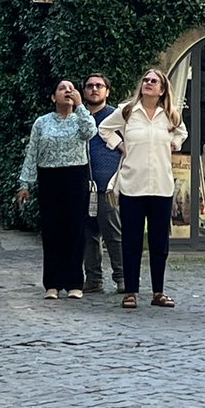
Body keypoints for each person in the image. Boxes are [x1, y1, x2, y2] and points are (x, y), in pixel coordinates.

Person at [99, 68, 188, 310]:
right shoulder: (128, 111)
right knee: (131, 240)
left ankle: (158, 291)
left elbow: (182, 133)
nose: (148, 83)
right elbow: (104, 129)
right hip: (132, 184)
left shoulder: (169, 115)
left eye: (154, 81)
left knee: (159, 242)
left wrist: (175, 143)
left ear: (162, 89)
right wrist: (119, 145)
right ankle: (130, 291)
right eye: (146, 80)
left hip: (161, 185)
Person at [16, 79, 97, 300]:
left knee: (75, 230)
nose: (68, 92)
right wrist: (25, 184)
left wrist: (81, 107)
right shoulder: (42, 123)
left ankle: (74, 282)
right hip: (50, 176)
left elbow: (91, 132)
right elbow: (32, 152)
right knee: (52, 230)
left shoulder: (80, 119)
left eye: (71, 89)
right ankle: (52, 283)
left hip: (75, 175)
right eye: (62, 89)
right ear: (53, 97)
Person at [81, 73, 125, 294]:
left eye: (99, 86)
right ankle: (93, 279)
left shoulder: (117, 117)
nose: (94, 89)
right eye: (89, 86)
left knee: (113, 234)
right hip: (82, 185)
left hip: (108, 185)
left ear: (107, 91)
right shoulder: (78, 117)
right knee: (88, 235)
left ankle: (122, 278)